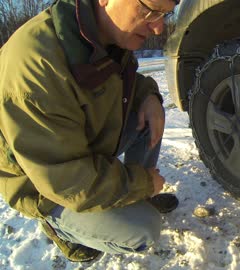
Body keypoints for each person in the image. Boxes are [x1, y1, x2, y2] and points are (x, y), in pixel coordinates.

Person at [0, 0, 180, 262]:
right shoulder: (38, 65)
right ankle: (57, 225)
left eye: (165, 14)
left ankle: (130, 198)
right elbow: (66, 181)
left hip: (82, 147)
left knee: (150, 119)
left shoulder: (106, 33)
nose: (158, 28)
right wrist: (141, 183)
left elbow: (120, 83)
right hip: (45, 185)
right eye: (150, 10)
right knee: (143, 230)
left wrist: (148, 96)